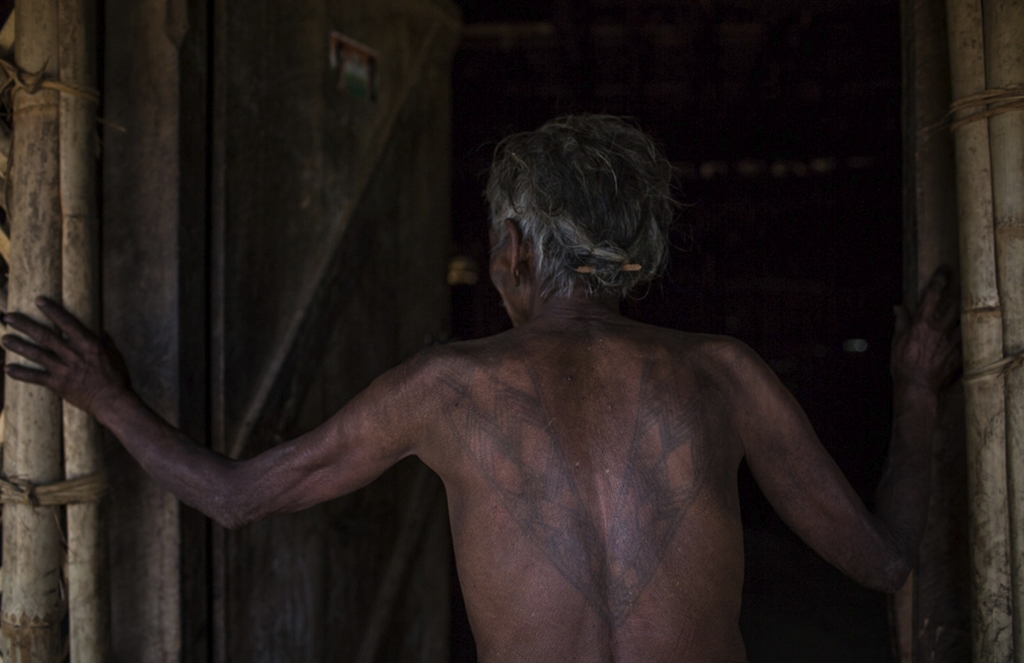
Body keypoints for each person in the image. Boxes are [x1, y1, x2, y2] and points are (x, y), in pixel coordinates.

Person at [1, 115, 959, 662]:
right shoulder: (723, 374)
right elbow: (883, 562)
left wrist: (101, 393)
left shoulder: (446, 390)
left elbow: (234, 496)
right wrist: (914, 395)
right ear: (629, 263)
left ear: (512, 249)